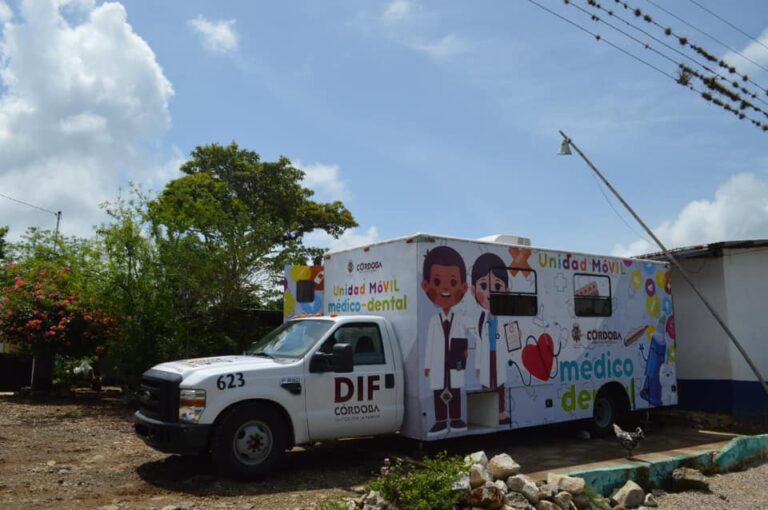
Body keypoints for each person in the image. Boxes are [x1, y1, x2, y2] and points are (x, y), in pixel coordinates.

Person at [422, 246, 470, 435]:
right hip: (438, 363)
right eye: (437, 281)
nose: (445, 288)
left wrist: (465, 352)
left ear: (463, 287)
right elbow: (429, 344)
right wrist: (427, 365)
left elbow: (462, 339)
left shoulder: (458, 320)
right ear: (426, 285)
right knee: (439, 390)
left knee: (455, 389)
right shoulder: (434, 321)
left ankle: (456, 419)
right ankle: (441, 420)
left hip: (455, 361)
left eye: (452, 282)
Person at [471, 253, 513, 425]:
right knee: (487, 385)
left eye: (497, 285)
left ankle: (501, 412)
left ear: (507, 291)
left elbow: (511, 338)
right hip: (487, 357)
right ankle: (488, 413)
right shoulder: (481, 319)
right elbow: (480, 343)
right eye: (483, 286)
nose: (490, 293)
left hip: (499, 355)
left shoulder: (505, 317)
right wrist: (478, 366)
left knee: (501, 385)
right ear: (474, 290)